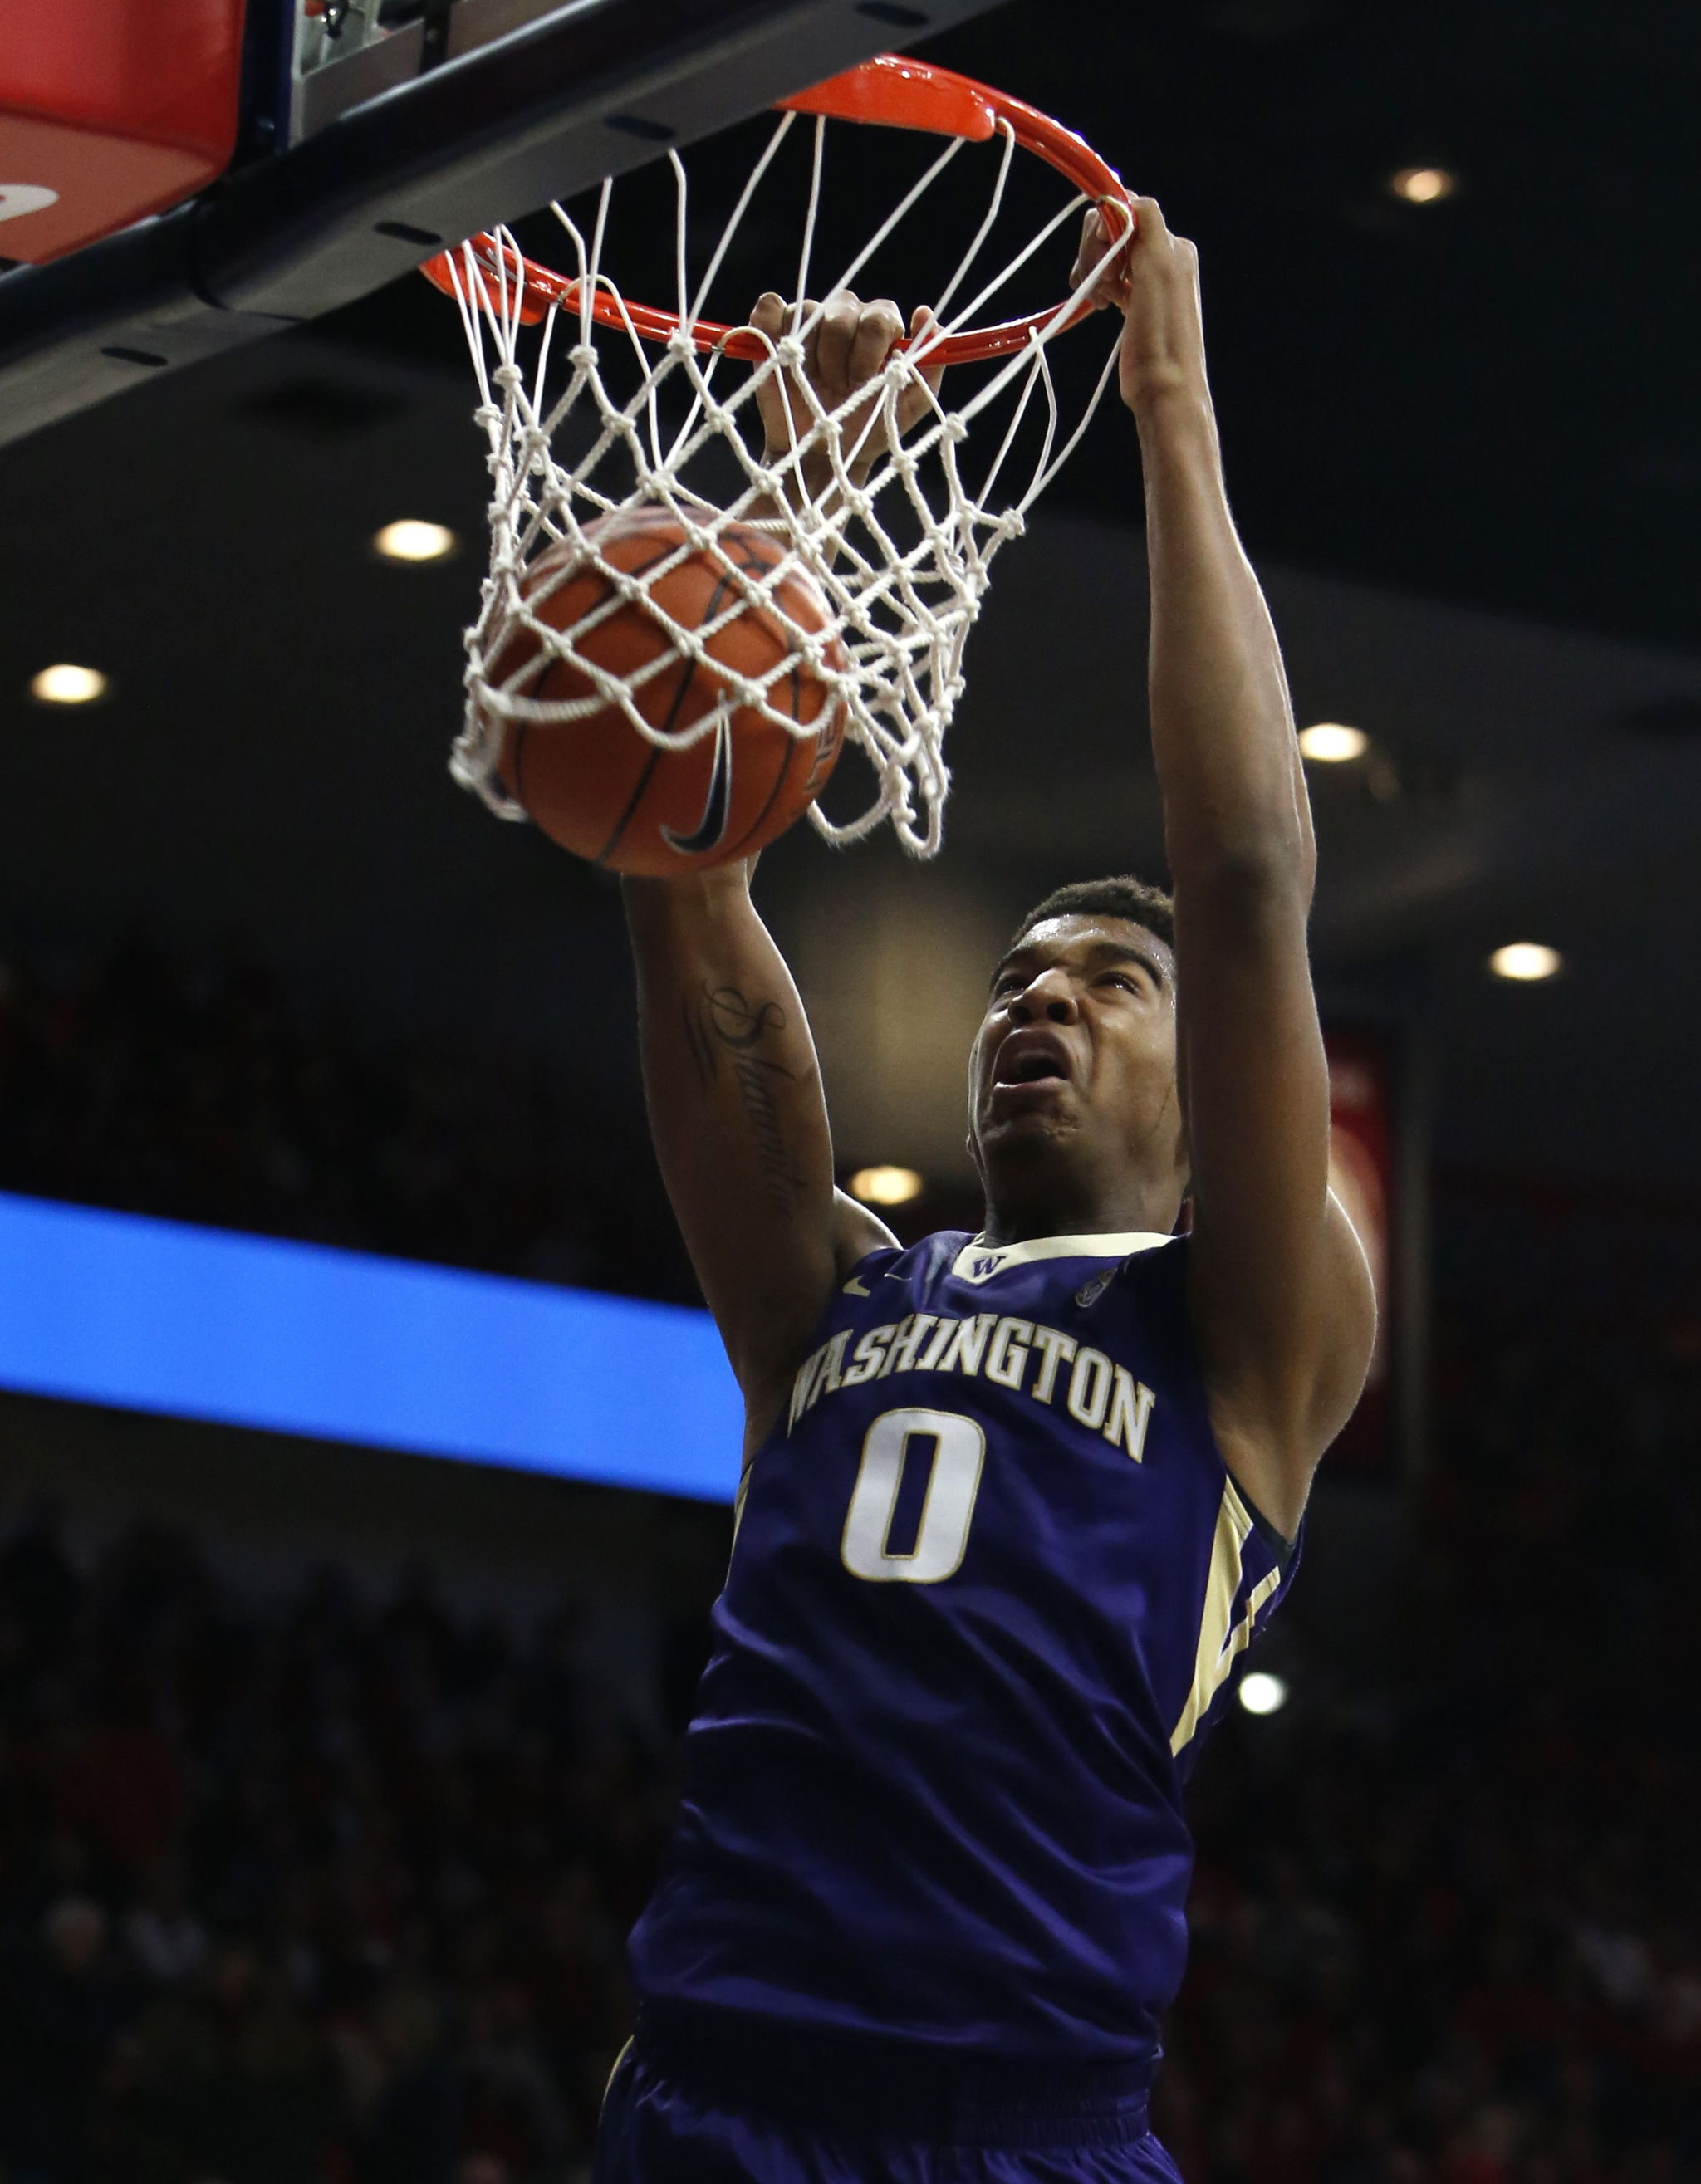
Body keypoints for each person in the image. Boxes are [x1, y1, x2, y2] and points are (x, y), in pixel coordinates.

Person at [597, 199, 1378, 2182]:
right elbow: (681, 877)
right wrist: (791, 507)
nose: (1043, 1001)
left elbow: (1250, 885)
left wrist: (1173, 413)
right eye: (1020, 977)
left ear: (1208, 1094)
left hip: (1011, 2131)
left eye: (1109, 984)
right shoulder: (831, 1291)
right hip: (708, 2101)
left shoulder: (1254, 1337)